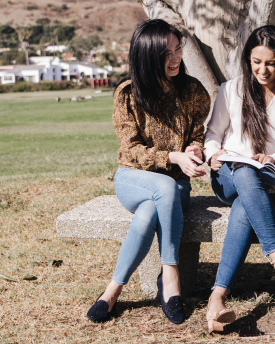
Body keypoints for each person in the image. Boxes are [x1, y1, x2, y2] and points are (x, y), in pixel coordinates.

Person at [86, 19, 211, 324]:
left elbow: (198, 135)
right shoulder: (127, 94)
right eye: (165, 53)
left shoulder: (192, 90)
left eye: (177, 48)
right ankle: (171, 275)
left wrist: (194, 151)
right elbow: (129, 151)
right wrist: (173, 157)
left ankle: (112, 291)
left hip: (176, 186)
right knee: (162, 189)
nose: (175, 57)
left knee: (150, 210)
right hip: (133, 180)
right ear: (146, 56)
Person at [203, 25, 275, 333]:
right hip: (228, 175)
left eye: (271, 63)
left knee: (245, 205)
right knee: (244, 170)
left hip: (272, 180)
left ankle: (216, 300)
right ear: (247, 60)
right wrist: (213, 153)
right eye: (256, 62)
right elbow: (212, 133)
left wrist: (274, 158)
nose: (262, 70)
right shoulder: (232, 89)